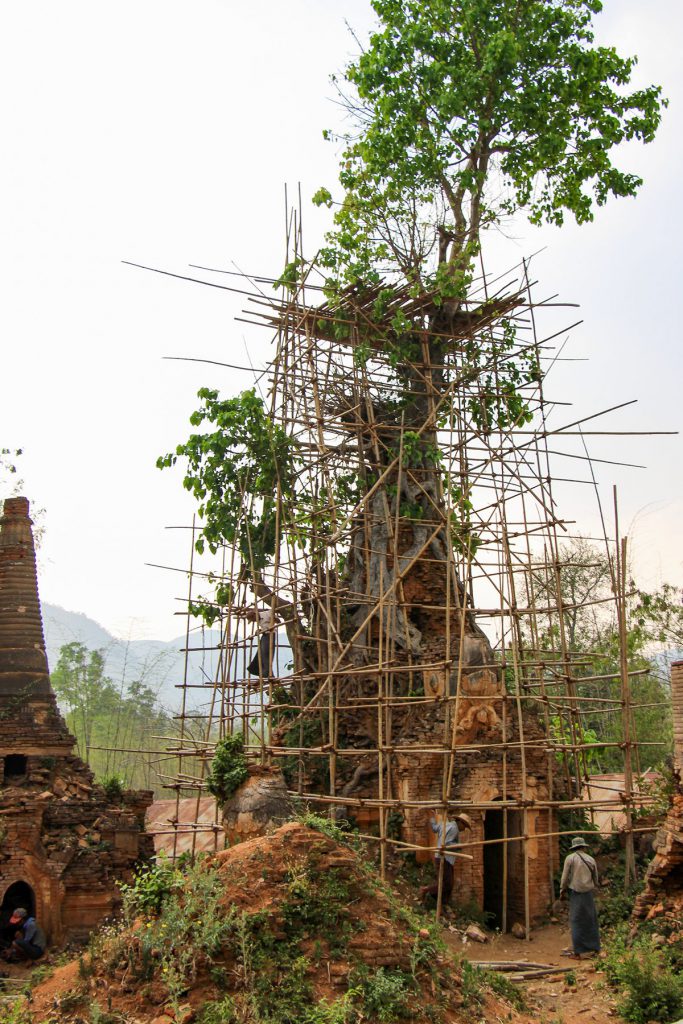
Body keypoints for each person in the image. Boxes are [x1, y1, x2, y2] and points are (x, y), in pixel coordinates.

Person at [560, 836, 601, 958]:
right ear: (583, 847)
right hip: (588, 894)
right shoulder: (591, 859)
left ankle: (578, 952)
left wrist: (562, 890)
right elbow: (596, 878)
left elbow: (565, 877)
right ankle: (595, 949)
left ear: (574, 848)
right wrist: (594, 886)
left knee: (576, 920)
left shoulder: (570, 859)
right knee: (591, 920)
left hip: (576, 893)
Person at [420, 811, 472, 904]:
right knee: (447, 884)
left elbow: (434, 828)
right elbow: (447, 844)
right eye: (464, 827)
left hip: (440, 858)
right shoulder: (454, 829)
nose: (464, 829)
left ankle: (442, 904)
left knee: (448, 883)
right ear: (460, 822)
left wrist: (432, 818)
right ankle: (426, 890)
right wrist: (460, 845)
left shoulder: (444, 824)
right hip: (445, 859)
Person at [245, 606, 276, 680]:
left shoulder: (267, 614)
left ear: (254, 615)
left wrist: (274, 619)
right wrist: (259, 630)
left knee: (266, 653)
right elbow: (263, 628)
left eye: (252, 620)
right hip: (265, 635)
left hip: (270, 635)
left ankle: (268, 673)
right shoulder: (258, 621)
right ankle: (263, 672)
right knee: (261, 653)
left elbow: (278, 621)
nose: (254, 621)